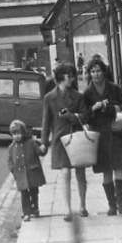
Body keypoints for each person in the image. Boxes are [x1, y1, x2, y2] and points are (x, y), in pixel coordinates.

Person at [80, 56, 122, 215]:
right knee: (106, 170)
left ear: (104, 72)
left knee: (118, 167)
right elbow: (84, 117)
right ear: (89, 73)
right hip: (100, 134)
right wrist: (93, 109)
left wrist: (115, 108)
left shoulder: (114, 88)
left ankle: (121, 204)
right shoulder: (88, 94)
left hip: (116, 132)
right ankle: (112, 205)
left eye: (98, 71)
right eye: (93, 71)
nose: (96, 74)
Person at [41, 62, 88, 221]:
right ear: (61, 77)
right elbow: (46, 122)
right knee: (65, 173)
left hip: (76, 137)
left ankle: (82, 205)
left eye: (73, 75)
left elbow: (85, 117)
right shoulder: (49, 98)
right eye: (70, 75)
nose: (72, 78)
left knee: (80, 172)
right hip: (60, 140)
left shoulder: (78, 96)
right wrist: (43, 142)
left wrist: (71, 116)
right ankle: (68, 209)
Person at [7, 119, 47, 221]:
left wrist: (43, 148)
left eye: (19, 133)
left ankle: (35, 209)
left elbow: (39, 152)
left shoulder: (31, 143)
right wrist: (13, 171)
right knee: (24, 194)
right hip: (20, 174)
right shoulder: (11, 148)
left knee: (34, 191)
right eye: (14, 134)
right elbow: (10, 161)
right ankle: (26, 212)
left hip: (32, 172)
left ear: (23, 133)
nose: (17, 136)